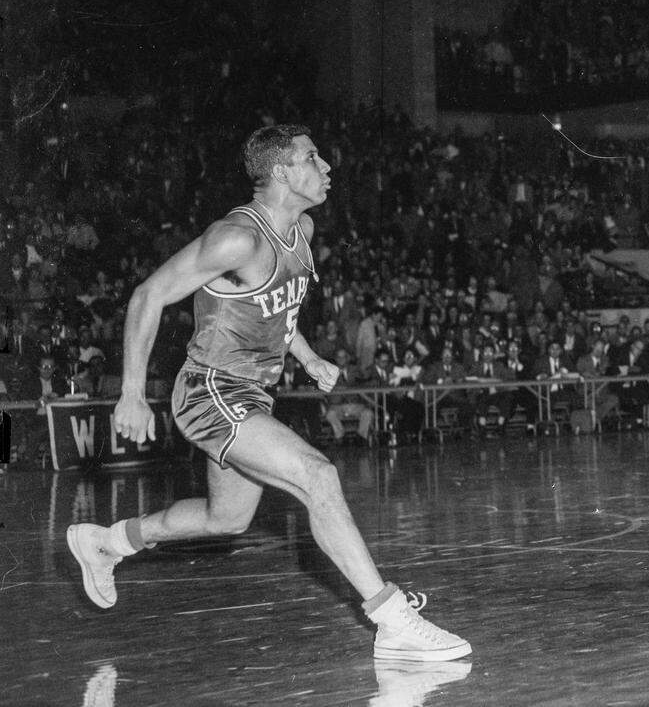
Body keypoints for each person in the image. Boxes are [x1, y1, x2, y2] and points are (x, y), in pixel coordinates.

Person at [65, 125, 470, 662]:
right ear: (281, 171)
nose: (326, 166)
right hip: (209, 389)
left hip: (251, 393)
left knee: (226, 519)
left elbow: (275, 307)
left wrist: (307, 357)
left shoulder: (300, 229)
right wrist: (133, 393)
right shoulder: (238, 237)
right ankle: (390, 617)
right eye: (312, 157)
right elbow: (148, 295)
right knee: (317, 476)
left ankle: (108, 542)